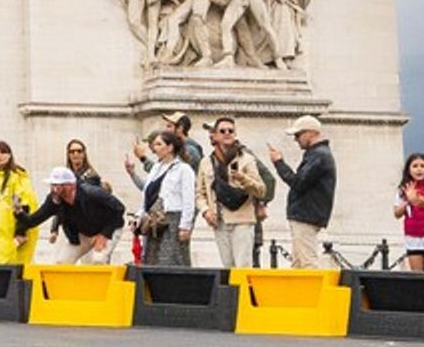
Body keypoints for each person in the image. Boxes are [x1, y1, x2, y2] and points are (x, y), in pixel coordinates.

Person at [198, 116, 274, 268]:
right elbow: (200, 192)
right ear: (216, 135)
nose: (227, 133)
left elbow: (262, 188)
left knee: (242, 267)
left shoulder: (246, 158)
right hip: (219, 221)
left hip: (242, 220)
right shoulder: (206, 162)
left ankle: (242, 292)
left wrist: (243, 179)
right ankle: (232, 293)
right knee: (227, 267)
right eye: (222, 131)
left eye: (230, 131)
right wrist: (206, 211)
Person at [271, 115, 337, 267]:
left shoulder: (319, 155)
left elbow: (298, 183)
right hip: (307, 214)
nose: (295, 139)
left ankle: (315, 291)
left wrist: (279, 163)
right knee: (299, 264)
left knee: (307, 263)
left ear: (311, 133)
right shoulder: (320, 154)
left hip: (306, 215)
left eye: (298, 134)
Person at [135, 126, 198, 267]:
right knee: (151, 261)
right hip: (154, 222)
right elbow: (147, 195)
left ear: (170, 147)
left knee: (172, 261)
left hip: (173, 220)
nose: (154, 148)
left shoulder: (184, 169)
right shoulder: (156, 168)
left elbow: (189, 200)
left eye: (158, 144)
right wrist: (139, 217)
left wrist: (185, 226)